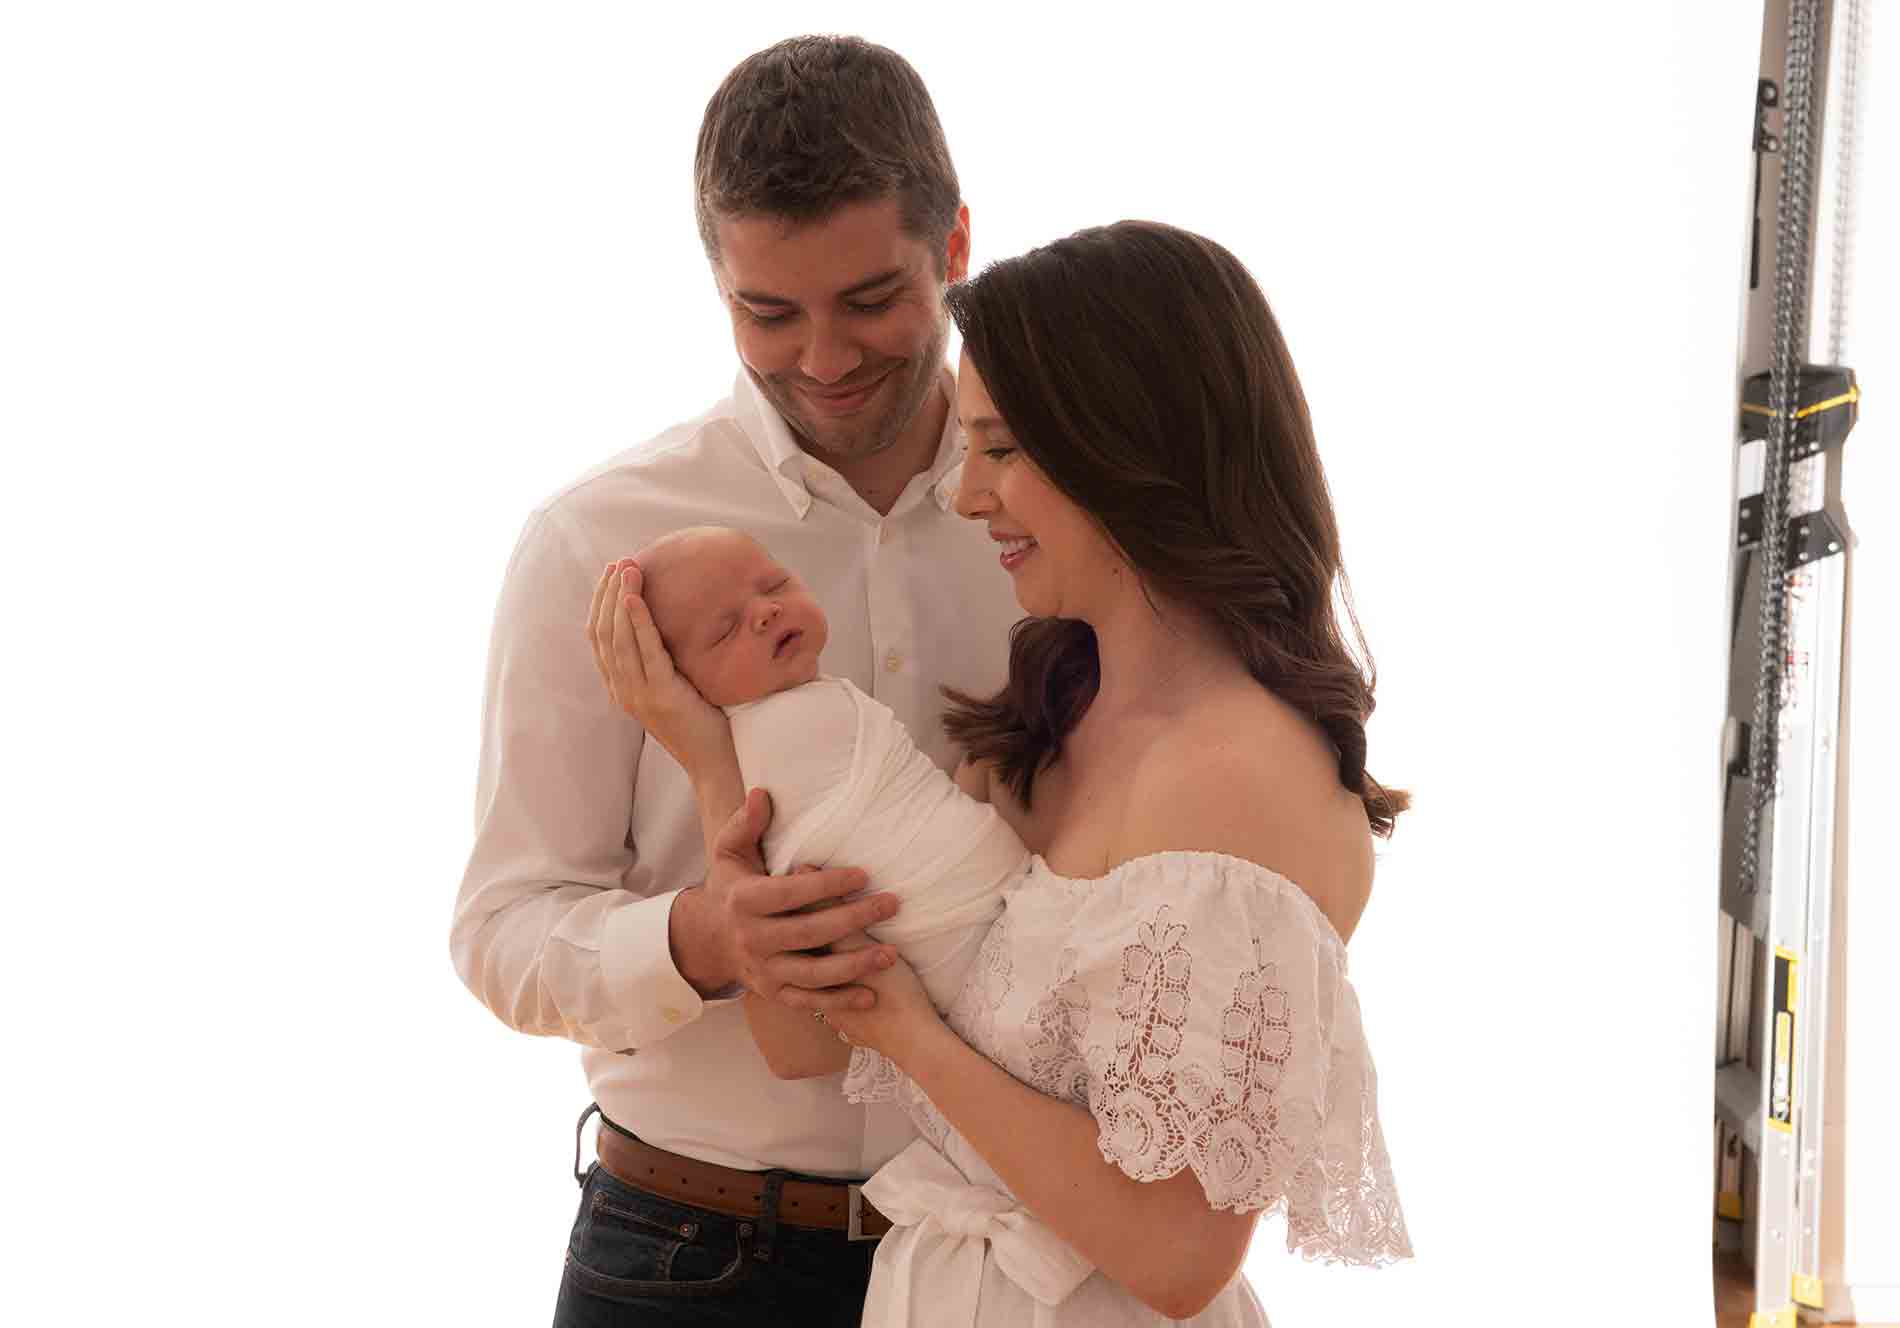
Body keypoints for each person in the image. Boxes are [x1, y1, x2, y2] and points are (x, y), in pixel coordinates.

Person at [598, 221, 1414, 1324]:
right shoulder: (1049, 721)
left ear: (1130, 448)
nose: (968, 492)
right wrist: (712, 764)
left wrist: (912, 1037)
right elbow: (801, 1042)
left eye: (1004, 449)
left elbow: (1178, 1255)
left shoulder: (1239, 775)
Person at [449, 35, 1023, 1326]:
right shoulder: (597, 543)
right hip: (686, 1262)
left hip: (1020, 1256)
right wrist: (701, 941)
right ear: (717, 284)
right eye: (769, 313)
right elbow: (500, 930)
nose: (822, 360)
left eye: (870, 301)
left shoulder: (1058, 515)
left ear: (956, 247)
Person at [599, 525, 1023, 1026]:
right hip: (962, 943)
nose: (765, 612)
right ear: (679, 683)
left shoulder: (811, 703)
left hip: (991, 932)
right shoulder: (770, 739)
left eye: (775, 585)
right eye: (724, 630)